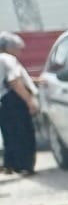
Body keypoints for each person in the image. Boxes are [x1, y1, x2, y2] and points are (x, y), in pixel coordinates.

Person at [0, 32, 38, 177]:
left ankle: (11, 164)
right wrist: (29, 101)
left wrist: (35, 81)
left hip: (3, 102)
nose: (19, 52)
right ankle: (25, 166)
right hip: (13, 100)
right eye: (17, 48)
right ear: (8, 48)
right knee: (23, 132)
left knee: (9, 134)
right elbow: (14, 81)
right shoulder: (8, 59)